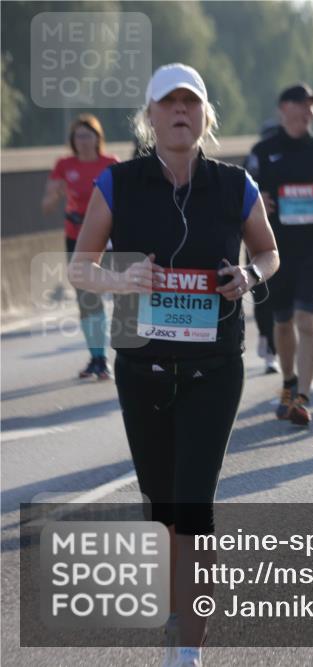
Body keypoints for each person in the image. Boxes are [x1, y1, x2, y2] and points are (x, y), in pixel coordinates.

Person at [68, 63, 279, 667]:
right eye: (169, 103)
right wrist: (122, 277)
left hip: (214, 365)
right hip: (143, 366)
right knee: (159, 504)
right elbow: (80, 267)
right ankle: (176, 602)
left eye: (191, 103)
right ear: (151, 116)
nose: (180, 111)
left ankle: (189, 643)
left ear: (206, 116)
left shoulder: (235, 184)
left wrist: (249, 276)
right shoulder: (119, 183)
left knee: (193, 502)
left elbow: (267, 251)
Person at [246, 82, 313, 426]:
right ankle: (288, 382)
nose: (309, 111)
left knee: (306, 318)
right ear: (284, 109)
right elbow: (245, 188)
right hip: (274, 249)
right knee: (282, 321)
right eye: (302, 105)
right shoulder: (263, 150)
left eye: (312, 106)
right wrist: (260, 200)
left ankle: (302, 396)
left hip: (312, 246)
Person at [42, 114, 120, 379]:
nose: (83, 141)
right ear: (72, 141)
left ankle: (127, 352)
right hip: (76, 237)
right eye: (78, 136)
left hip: (107, 237)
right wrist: (56, 193)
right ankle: (98, 358)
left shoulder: (110, 164)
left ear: (98, 137)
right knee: (87, 298)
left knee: (119, 292)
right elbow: (46, 204)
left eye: (88, 135)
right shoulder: (65, 165)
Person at [247, 120, 282, 375]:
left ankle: (276, 344)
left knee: (282, 298)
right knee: (263, 295)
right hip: (257, 238)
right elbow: (246, 189)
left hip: (287, 238)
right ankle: (267, 342)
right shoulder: (256, 156)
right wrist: (261, 197)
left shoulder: (297, 155)